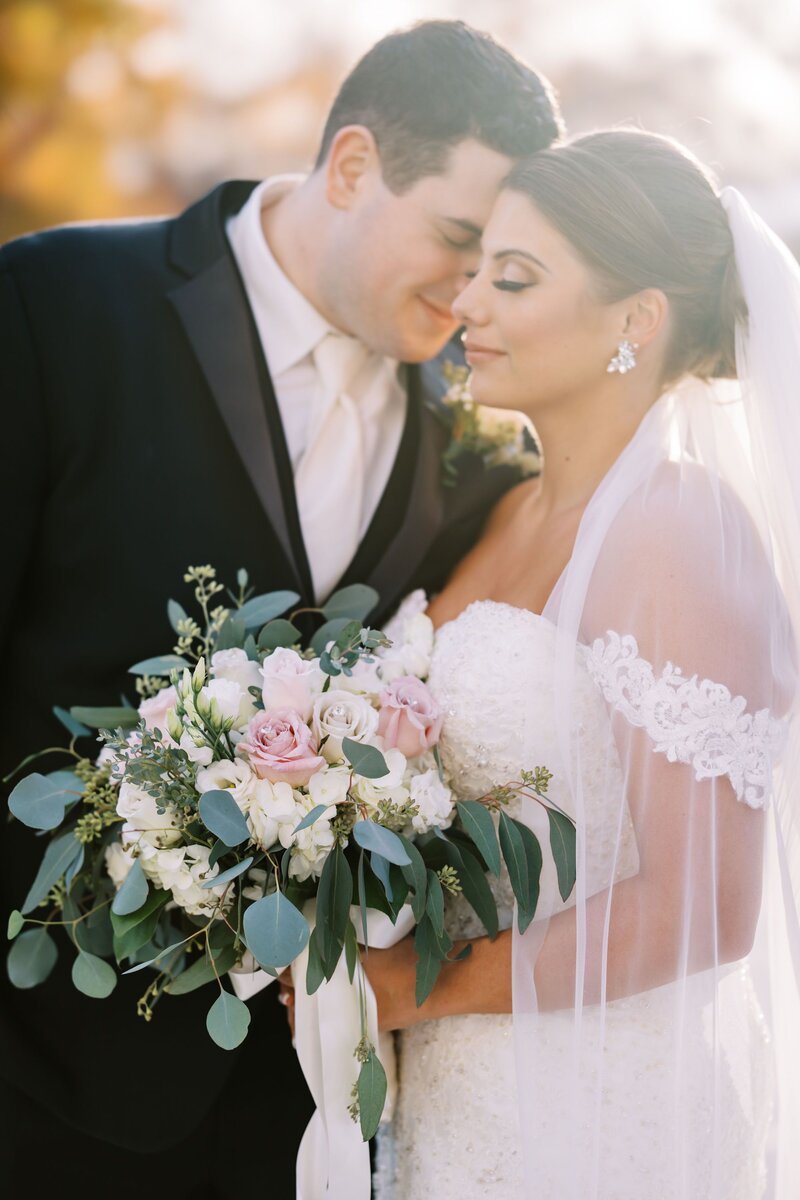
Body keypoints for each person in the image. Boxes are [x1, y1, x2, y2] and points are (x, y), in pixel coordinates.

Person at [0, 21, 561, 1196]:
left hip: (305, 1109)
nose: (469, 295)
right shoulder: (53, 304)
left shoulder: (473, 443)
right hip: (38, 1071)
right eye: (456, 242)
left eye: (499, 264)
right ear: (352, 166)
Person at [354, 131, 800, 1198]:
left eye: (513, 279)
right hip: (451, 1103)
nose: (469, 306)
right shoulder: (503, 503)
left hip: (599, 1120)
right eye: (476, 273)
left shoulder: (680, 530)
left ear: (634, 322)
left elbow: (702, 904)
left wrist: (421, 987)